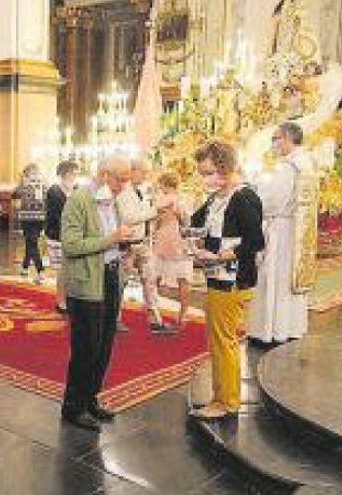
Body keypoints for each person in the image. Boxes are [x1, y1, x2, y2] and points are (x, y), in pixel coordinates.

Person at [190, 140, 264, 419]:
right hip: (216, 277)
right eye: (202, 173)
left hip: (232, 280)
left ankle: (227, 401)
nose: (205, 179)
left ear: (225, 167)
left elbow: (256, 241)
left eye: (209, 172)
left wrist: (222, 256)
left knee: (224, 342)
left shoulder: (243, 196)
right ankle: (220, 396)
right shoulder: (218, 196)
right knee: (218, 341)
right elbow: (198, 222)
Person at [60, 155, 134, 432]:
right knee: (86, 348)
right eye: (121, 179)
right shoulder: (79, 200)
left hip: (109, 276)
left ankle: (90, 399)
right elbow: (71, 245)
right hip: (86, 283)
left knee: (104, 346)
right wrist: (111, 240)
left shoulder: (109, 199)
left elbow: (109, 236)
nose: (124, 186)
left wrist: (122, 244)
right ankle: (73, 406)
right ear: (105, 175)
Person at [249, 122, 309, 344]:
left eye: (275, 138)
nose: (273, 144)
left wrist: (254, 196)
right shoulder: (307, 163)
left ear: (286, 138)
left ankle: (271, 331)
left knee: (274, 278)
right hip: (298, 230)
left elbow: (273, 201)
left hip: (281, 229)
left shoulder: (287, 167)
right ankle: (290, 327)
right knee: (290, 280)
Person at [116, 159, 166, 332]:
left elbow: (143, 216)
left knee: (150, 281)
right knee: (120, 283)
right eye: (143, 172)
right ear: (133, 171)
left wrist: (155, 215)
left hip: (143, 243)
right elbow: (128, 218)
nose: (146, 176)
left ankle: (155, 320)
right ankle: (114, 319)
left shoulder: (141, 191)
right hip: (127, 245)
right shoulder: (123, 191)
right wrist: (154, 211)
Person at [152, 172, 193, 330]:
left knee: (154, 278)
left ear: (165, 184)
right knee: (184, 280)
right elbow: (187, 222)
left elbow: (155, 222)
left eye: (161, 184)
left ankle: (155, 313)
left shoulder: (160, 200)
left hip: (164, 240)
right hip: (180, 242)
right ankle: (183, 316)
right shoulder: (185, 200)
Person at [46, 161, 79, 313]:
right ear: (66, 173)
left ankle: (69, 298)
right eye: (74, 172)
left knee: (71, 270)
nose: (76, 175)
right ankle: (61, 302)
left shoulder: (77, 189)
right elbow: (55, 216)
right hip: (57, 236)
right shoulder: (54, 191)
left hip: (73, 235)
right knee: (62, 271)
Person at [16, 163, 47, 284]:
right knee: (31, 242)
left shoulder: (29, 182)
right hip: (35, 218)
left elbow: (16, 193)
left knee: (32, 243)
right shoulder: (41, 182)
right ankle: (27, 267)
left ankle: (39, 270)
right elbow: (16, 194)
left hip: (32, 217)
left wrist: (22, 182)